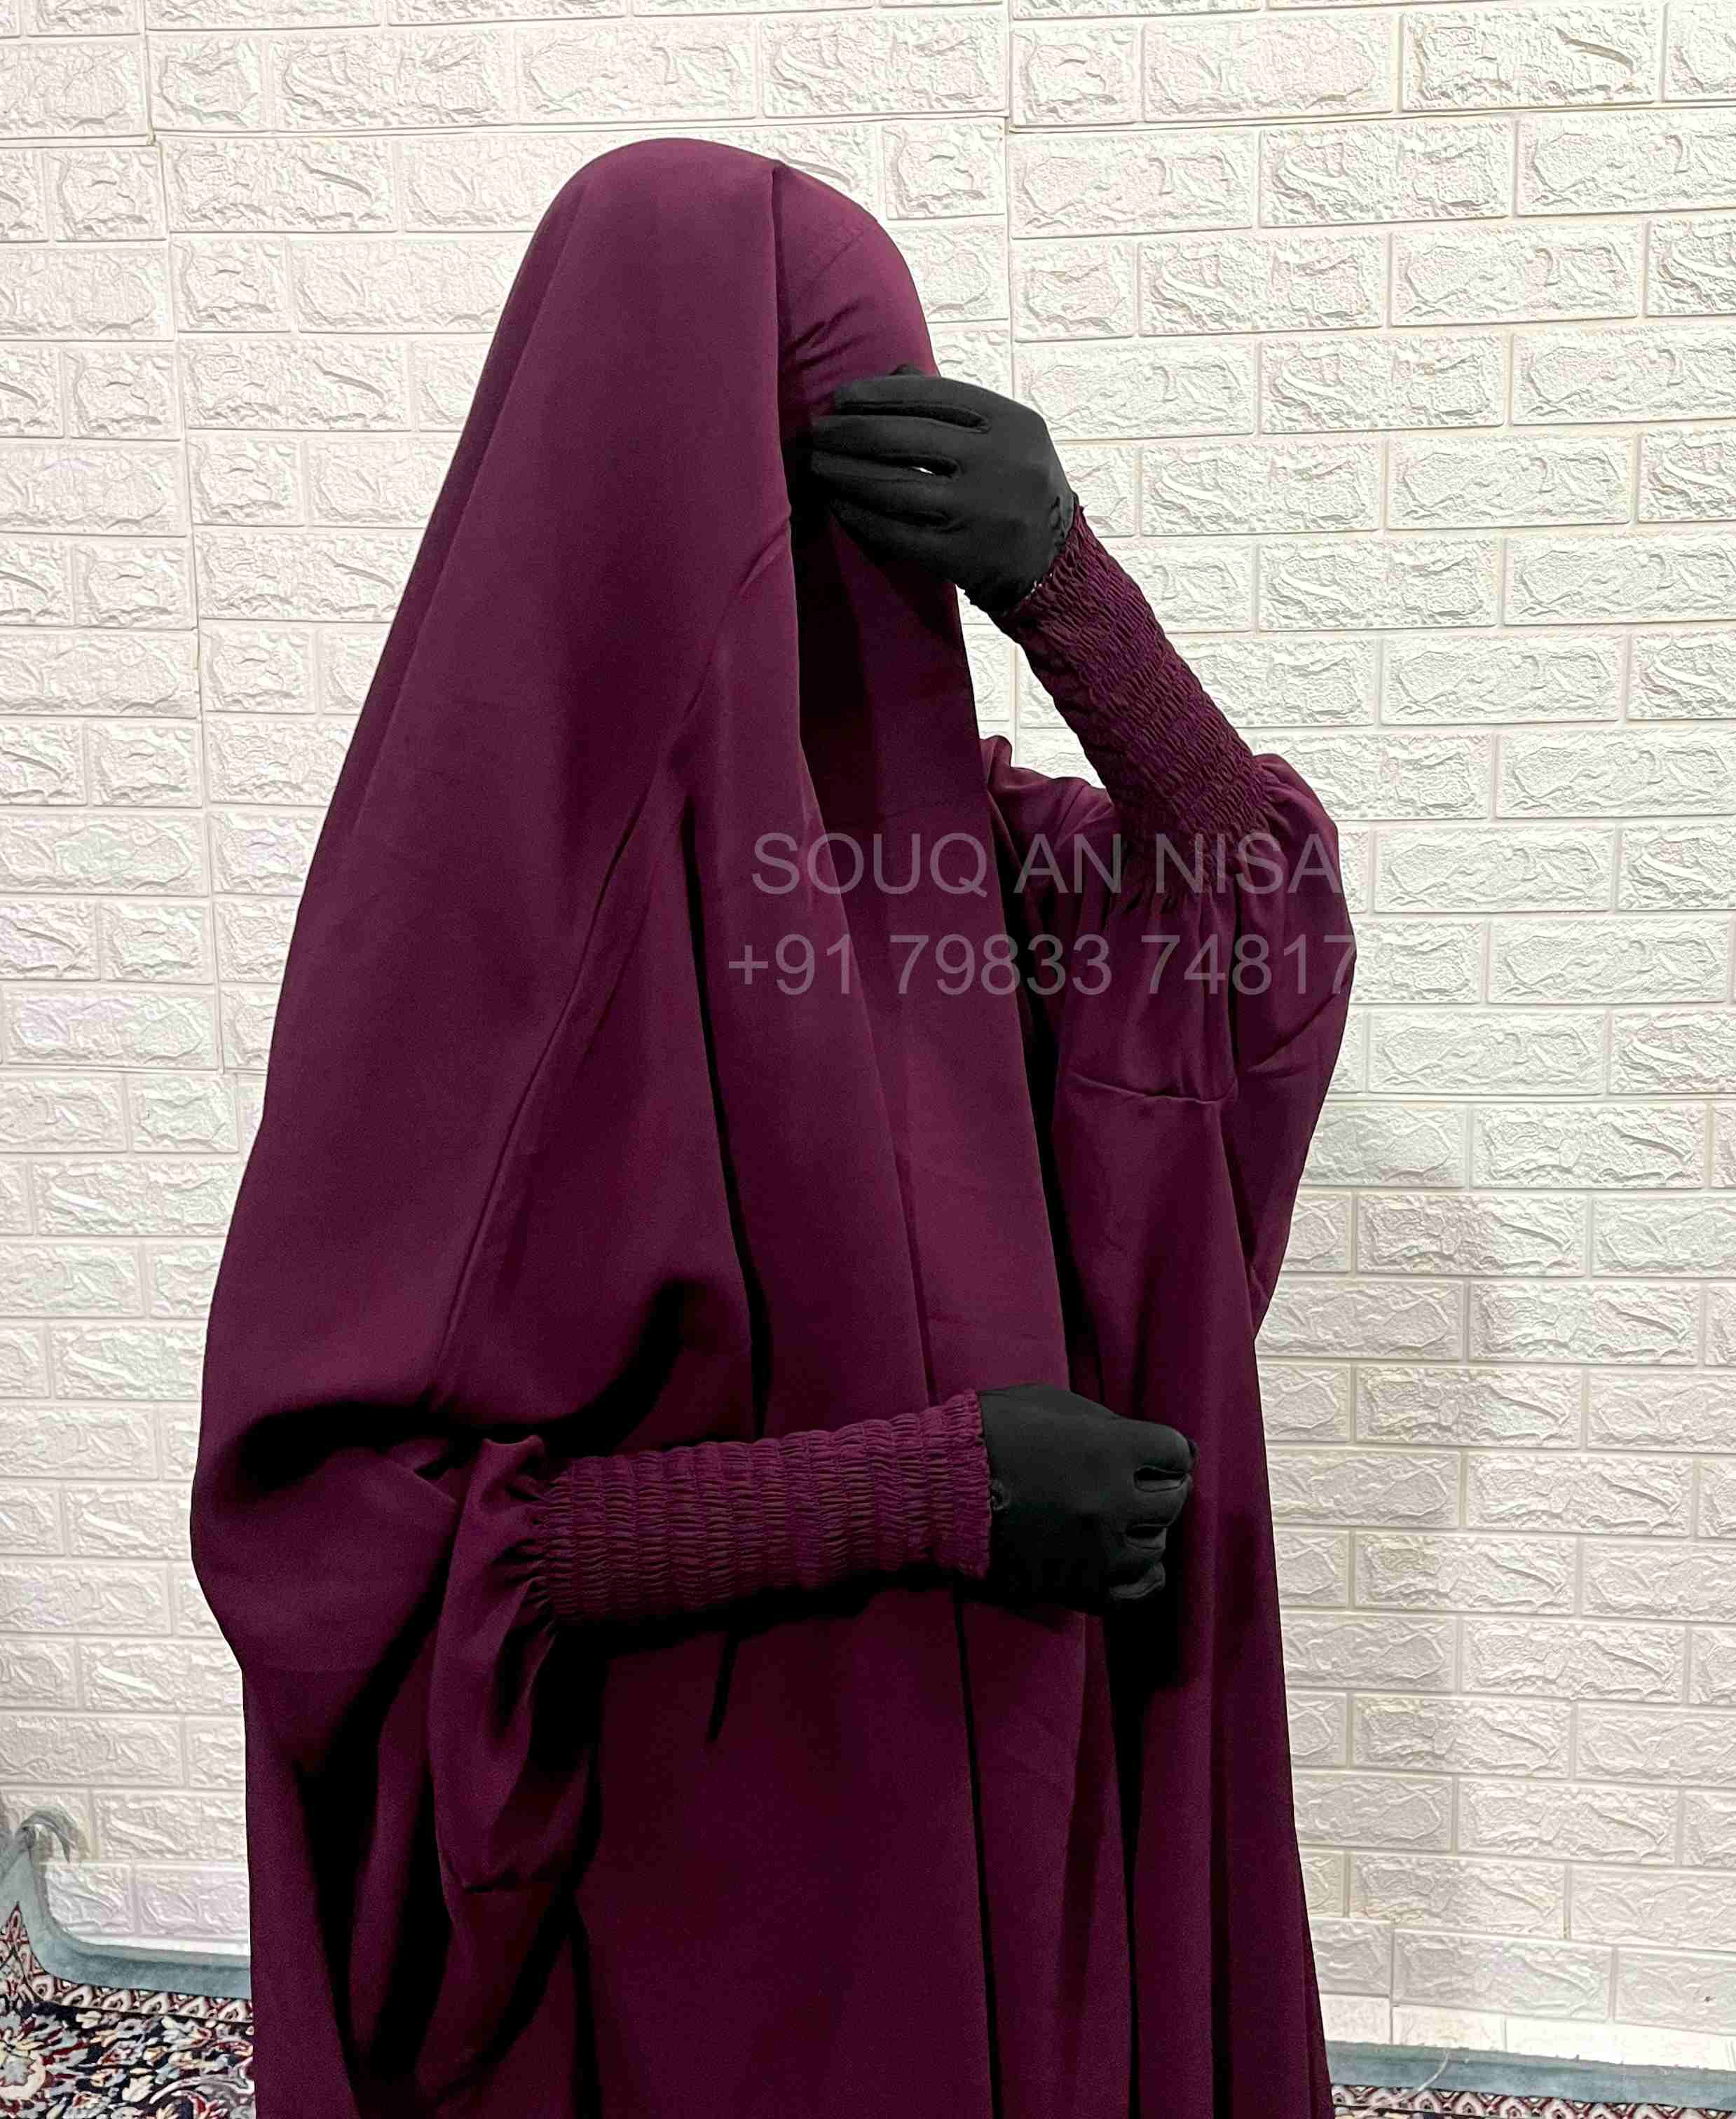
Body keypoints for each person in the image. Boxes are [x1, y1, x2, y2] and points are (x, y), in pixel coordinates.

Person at [191, 137, 1354, 2117]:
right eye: (839, 495)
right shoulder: (468, 919)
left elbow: (1252, 939)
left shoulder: (940, 858)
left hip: (1005, 1789)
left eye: (928, 508)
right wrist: (920, 1497)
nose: (873, 589)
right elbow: (338, 1542)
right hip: (700, 1891)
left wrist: (1071, 594)